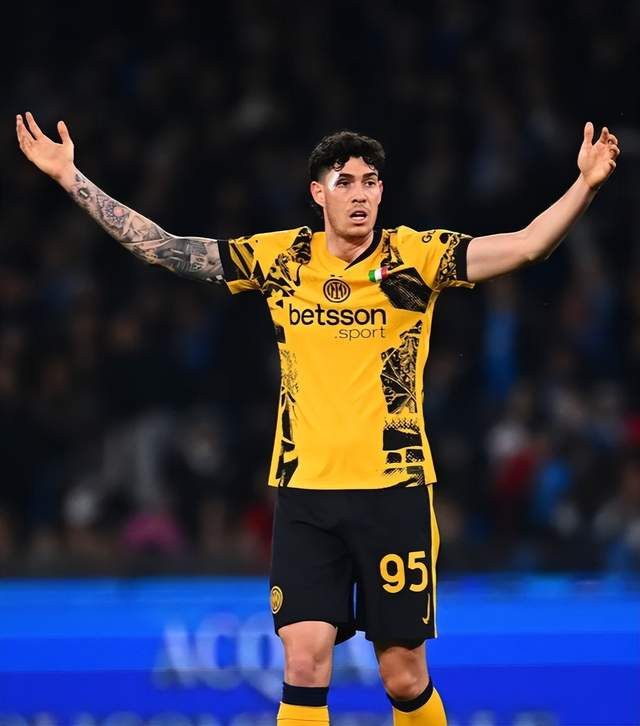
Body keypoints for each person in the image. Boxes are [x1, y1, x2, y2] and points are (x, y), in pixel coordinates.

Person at [16, 111, 620, 726]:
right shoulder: (281, 259)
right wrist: (70, 177)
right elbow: (167, 249)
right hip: (305, 495)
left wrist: (585, 185)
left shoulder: (417, 258)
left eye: (370, 182)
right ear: (317, 192)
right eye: (345, 182)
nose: (360, 195)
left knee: (403, 676)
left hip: (394, 491)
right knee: (303, 665)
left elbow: (526, 245)